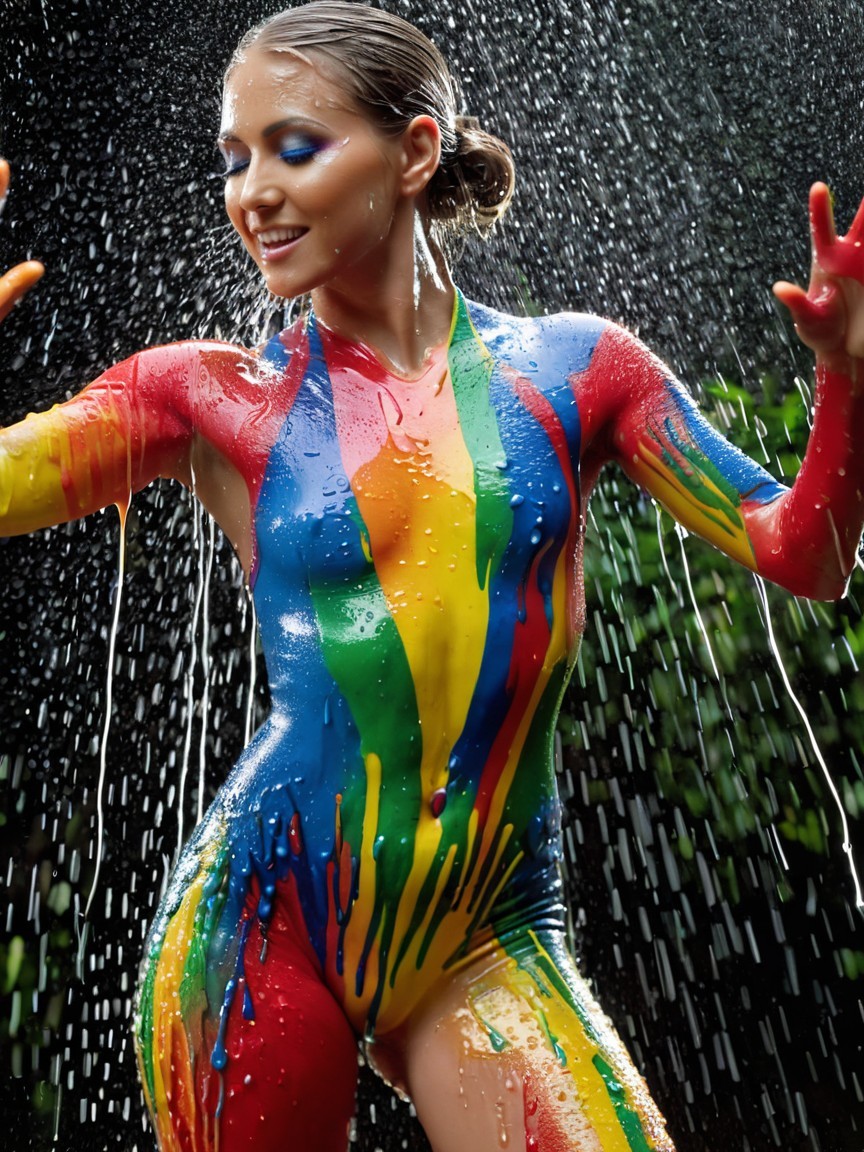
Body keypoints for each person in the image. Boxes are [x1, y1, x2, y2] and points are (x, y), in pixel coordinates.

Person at [2, 4, 864, 1150]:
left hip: (488, 932)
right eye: (234, 157)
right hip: (263, 930)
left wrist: (848, 378)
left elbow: (801, 553)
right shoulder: (212, 396)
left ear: (413, 153)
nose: (252, 190)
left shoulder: (579, 372)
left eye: (295, 147)